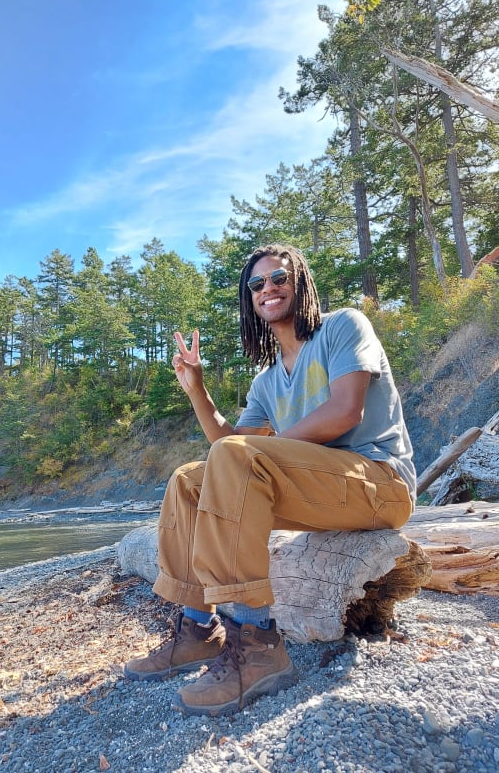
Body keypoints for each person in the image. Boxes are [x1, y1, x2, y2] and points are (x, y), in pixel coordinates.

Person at [124, 243, 416, 718]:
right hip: (320, 492)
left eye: (279, 277)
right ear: (250, 299)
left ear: (300, 282)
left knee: (234, 459)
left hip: (379, 484)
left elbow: (346, 411)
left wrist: (261, 451)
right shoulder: (266, 380)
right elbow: (228, 447)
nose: (268, 288)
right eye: (256, 284)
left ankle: (258, 643)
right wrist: (197, 389)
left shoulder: (343, 326)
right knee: (189, 481)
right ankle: (198, 629)